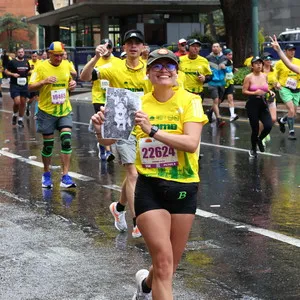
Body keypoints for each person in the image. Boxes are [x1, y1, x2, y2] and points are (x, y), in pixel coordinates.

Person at [91, 48, 208, 300]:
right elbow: (110, 139)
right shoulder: (135, 102)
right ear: (148, 73)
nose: (163, 70)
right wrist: (100, 129)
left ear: (177, 72)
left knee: (169, 266)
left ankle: (145, 285)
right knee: (165, 265)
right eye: (157, 66)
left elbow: (190, 143)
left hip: (184, 188)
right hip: (150, 189)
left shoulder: (190, 100)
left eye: (169, 66)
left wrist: (152, 130)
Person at [80, 29, 152, 238]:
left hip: (144, 125)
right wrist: (95, 57)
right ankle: (137, 221)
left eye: (137, 43)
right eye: (129, 43)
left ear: (142, 47)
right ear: (124, 47)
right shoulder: (113, 66)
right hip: (120, 125)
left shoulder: (149, 69)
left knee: (137, 173)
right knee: (133, 173)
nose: (133, 46)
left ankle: (118, 207)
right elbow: (85, 77)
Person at [28, 41, 77, 189]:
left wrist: (72, 85)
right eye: (56, 56)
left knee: (66, 140)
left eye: (61, 55)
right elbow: (30, 87)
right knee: (48, 146)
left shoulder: (67, 64)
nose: (59, 58)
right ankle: (46, 173)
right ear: (49, 54)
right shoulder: (41, 67)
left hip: (64, 109)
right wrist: (44, 81)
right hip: (46, 111)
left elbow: (70, 82)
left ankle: (65, 176)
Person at [86, 38, 118, 161]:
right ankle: (108, 151)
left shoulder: (117, 61)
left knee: (110, 123)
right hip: (98, 95)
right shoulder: (96, 60)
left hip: (112, 95)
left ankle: (102, 144)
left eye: (109, 47)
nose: (107, 49)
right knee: (105, 123)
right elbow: (87, 76)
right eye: (104, 47)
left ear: (112, 48)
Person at [242, 56, 275, 158]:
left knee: (268, 125)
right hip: (252, 104)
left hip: (263, 102)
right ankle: (253, 148)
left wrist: (270, 91)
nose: (259, 65)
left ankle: (259, 139)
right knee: (255, 128)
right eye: (256, 63)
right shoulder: (249, 77)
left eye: (260, 63)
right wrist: (254, 92)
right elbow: (244, 91)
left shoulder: (264, 75)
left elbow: (265, 87)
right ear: (252, 66)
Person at [270, 35, 300, 140]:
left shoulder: (298, 61)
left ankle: (282, 120)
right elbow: (287, 66)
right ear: (286, 51)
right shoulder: (279, 63)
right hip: (285, 88)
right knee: (291, 110)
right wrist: (276, 83)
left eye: (293, 50)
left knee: (294, 112)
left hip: (297, 89)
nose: (292, 52)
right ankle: (291, 132)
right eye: (290, 50)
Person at [206, 43, 231, 127]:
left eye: (217, 47)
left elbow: (230, 70)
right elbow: (204, 69)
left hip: (222, 83)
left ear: (220, 48)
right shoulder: (208, 58)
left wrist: (226, 68)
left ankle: (210, 112)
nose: (215, 48)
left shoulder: (225, 58)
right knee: (216, 101)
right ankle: (219, 118)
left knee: (219, 101)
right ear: (212, 48)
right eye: (213, 47)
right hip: (212, 82)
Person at [4, 47, 31, 128]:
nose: (21, 53)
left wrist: (31, 72)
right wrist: (13, 74)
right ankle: (15, 114)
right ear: (16, 53)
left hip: (24, 85)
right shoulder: (12, 62)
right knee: (17, 102)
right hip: (15, 85)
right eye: (19, 52)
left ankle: (20, 120)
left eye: (22, 52)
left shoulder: (26, 62)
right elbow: (6, 71)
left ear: (24, 53)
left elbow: (28, 71)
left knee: (23, 103)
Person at [261, 53, 280, 144]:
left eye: (270, 58)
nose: (269, 60)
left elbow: (276, 82)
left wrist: (277, 85)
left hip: (271, 96)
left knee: (273, 118)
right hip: (261, 96)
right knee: (263, 118)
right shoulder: (260, 71)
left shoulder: (274, 71)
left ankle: (266, 131)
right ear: (263, 61)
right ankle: (262, 136)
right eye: (267, 59)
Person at [222, 48, 239, 122]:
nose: (231, 56)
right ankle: (212, 112)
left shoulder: (231, 62)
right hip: (222, 83)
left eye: (231, 54)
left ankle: (232, 115)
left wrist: (234, 71)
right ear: (225, 55)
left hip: (230, 83)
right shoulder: (221, 63)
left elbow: (230, 73)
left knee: (230, 98)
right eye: (229, 54)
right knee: (219, 100)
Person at [26, 51, 41, 116]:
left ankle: (36, 113)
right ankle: (28, 105)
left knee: (37, 98)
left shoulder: (40, 62)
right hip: (30, 84)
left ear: (37, 57)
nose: (34, 57)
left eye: (35, 56)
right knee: (31, 99)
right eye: (33, 56)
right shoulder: (28, 62)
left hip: (37, 83)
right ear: (31, 56)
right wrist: (31, 72)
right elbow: (26, 72)